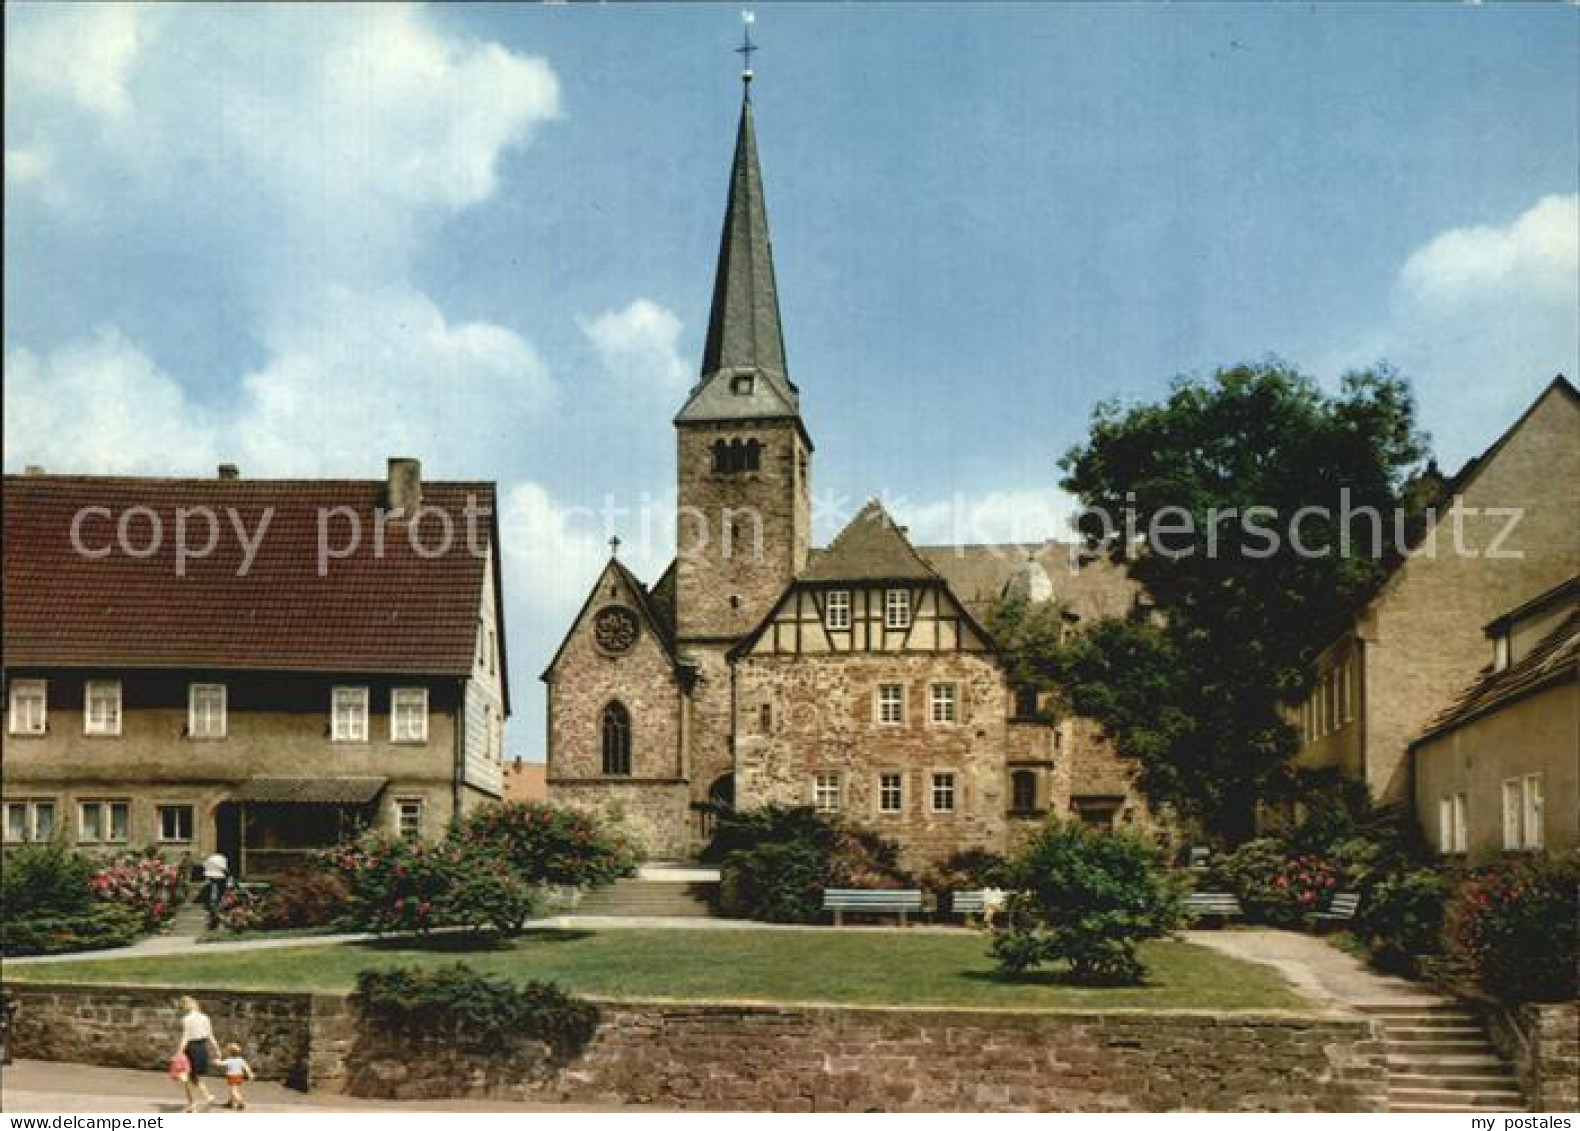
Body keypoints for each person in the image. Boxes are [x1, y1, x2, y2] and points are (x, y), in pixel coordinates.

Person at [174, 995, 219, 1112]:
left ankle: (193, 1104)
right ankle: (207, 1097)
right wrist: (217, 1049)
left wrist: (179, 1053)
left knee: (186, 1078)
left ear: (185, 1006)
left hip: (191, 1049)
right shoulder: (205, 1017)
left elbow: (185, 1037)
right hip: (202, 1048)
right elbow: (210, 1035)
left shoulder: (186, 1019)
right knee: (197, 1077)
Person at [220, 1042, 254, 1110]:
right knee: (233, 1090)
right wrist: (250, 1074)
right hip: (239, 1076)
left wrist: (216, 1061)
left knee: (233, 1091)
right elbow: (246, 1067)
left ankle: (241, 1102)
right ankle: (230, 1103)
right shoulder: (241, 1060)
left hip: (232, 1077)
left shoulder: (229, 1060)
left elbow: (221, 1063)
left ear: (230, 1052)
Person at [201, 852, 229, 928]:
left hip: (216, 902)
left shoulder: (219, 885)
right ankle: (212, 920)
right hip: (213, 902)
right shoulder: (210, 886)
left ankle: (214, 921)